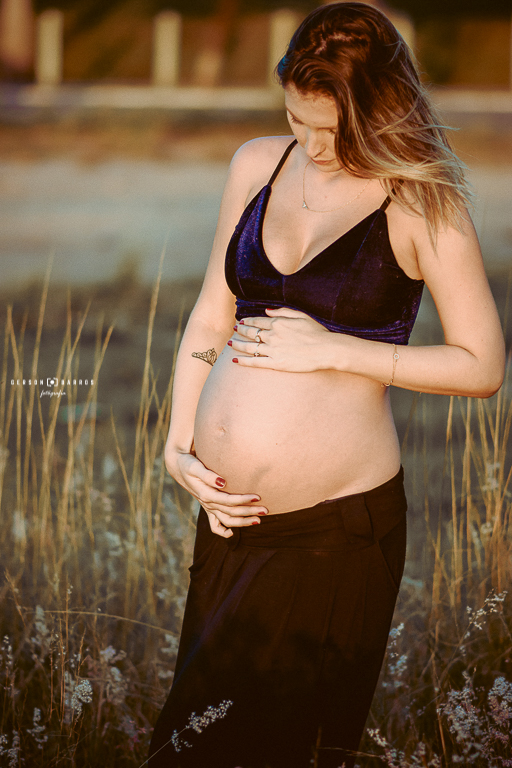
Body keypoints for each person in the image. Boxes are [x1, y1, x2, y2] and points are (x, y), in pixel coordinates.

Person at [148, 3, 505, 767]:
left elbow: (482, 365)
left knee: (260, 750)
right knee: (198, 736)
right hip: (228, 523)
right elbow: (212, 318)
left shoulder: (422, 201)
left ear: (379, 109)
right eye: (296, 120)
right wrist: (179, 449)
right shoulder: (255, 164)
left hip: (334, 537)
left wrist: (336, 349)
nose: (312, 146)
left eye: (332, 130)